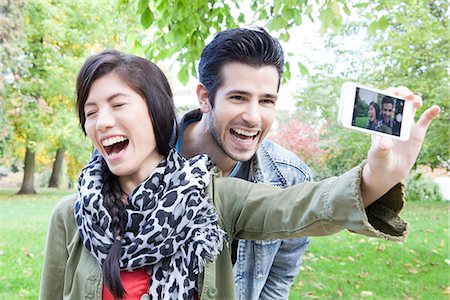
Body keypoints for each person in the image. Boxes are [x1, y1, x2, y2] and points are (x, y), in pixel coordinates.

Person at [39, 50, 439, 300]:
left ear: (154, 111)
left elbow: (302, 206)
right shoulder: (70, 216)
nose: (102, 121)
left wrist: (379, 174)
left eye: (117, 105)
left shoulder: (216, 198)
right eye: (91, 113)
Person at [175, 27, 312, 300]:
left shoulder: (290, 180)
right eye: (238, 97)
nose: (253, 117)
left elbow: (279, 278)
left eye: (265, 101)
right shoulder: (142, 154)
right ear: (205, 97)